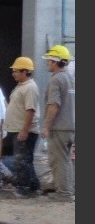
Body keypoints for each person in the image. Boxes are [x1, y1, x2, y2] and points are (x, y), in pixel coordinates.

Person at [40, 45, 75, 202]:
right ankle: (67, 190)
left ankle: (64, 194)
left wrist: (46, 126)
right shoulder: (70, 79)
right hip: (70, 127)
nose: (48, 63)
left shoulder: (56, 80)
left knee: (58, 160)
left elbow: (54, 104)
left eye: (49, 60)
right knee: (66, 159)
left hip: (59, 127)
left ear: (55, 61)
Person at [2, 57, 41, 198]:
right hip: (18, 129)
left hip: (24, 131)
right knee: (25, 160)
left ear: (25, 72)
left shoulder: (29, 88)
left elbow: (30, 110)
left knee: (21, 160)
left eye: (16, 71)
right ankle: (34, 186)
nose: (13, 73)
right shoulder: (21, 86)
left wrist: (24, 130)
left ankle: (23, 188)